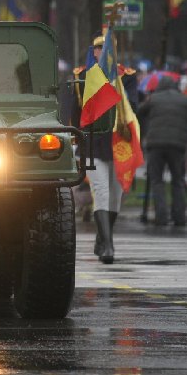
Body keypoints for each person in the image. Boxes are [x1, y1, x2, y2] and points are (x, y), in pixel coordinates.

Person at [72, 33, 138, 264]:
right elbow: (75, 113)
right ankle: (108, 245)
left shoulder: (127, 77)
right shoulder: (82, 75)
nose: (102, 52)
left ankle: (103, 237)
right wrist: (74, 141)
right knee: (100, 191)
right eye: (99, 49)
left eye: (106, 48)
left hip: (118, 142)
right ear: (94, 52)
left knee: (116, 195)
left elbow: (133, 108)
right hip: (92, 142)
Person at [136, 76, 187, 226]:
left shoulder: (153, 99)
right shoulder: (186, 100)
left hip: (156, 145)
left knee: (157, 180)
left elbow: (139, 113)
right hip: (177, 146)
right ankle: (179, 217)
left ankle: (162, 216)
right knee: (178, 181)